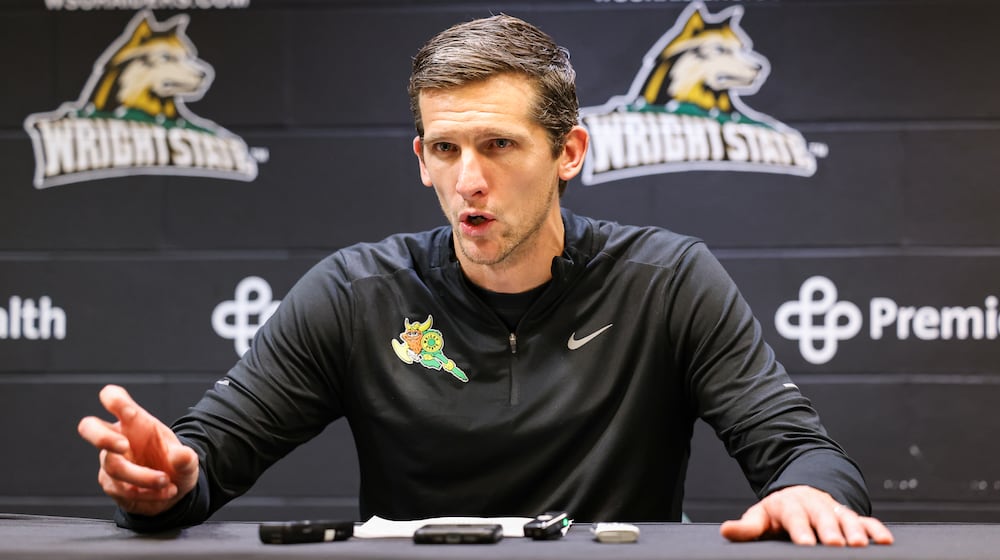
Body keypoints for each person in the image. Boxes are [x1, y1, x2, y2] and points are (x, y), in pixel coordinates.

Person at [77, 14, 893, 547]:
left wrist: (807, 492)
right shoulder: (357, 292)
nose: (468, 180)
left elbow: (803, 453)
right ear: (422, 158)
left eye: (499, 145)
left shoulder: (666, 280)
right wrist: (162, 481)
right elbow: (202, 462)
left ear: (569, 153)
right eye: (445, 149)